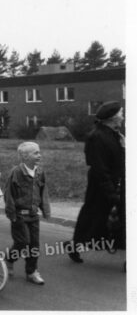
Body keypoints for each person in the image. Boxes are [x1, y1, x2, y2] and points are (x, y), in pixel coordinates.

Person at [65, 101, 125, 263]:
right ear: (112, 117)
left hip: (117, 182)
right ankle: (75, 245)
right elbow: (99, 167)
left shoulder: (115, 134)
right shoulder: (96, 137)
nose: (123, 115)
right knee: (92, 217)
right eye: (121, 113)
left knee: (106, 218)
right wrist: (112, 192)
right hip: (101, 185)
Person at [3, 142, 50, 285]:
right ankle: (9, 259)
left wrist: (45, 210)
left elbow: (43, 192)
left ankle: (31, 272)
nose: (39, 155)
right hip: (19, 215)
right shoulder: (16, 172)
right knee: (23, 242)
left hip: (33, 215)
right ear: (25, 156)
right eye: (35, 153)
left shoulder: (40, 173)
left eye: (39, 152)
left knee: (34, 245)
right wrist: (11, 214)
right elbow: (8, 194)